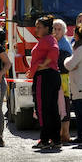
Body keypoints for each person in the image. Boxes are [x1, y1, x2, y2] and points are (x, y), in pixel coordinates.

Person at [28, 15, 61, 151]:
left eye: (39, 27)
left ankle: (45, 138)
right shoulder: (47, 39)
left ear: (47, 28)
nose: (36, 29)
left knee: (43, 108)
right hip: (49, 76)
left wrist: (43, 65)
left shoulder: (48, 39)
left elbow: (54, 51)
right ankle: (54, 139)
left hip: (45, 76)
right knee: (52, 108)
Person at [53, 19, 73, 143]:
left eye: (59, 29)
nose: (56, 31)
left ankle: (65, 134)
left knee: (64, 106)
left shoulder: (64, 45)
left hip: (63, 80)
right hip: (56, 78)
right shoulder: (54, 42)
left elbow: (63, 64)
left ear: (64, 31)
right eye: (54, 28)